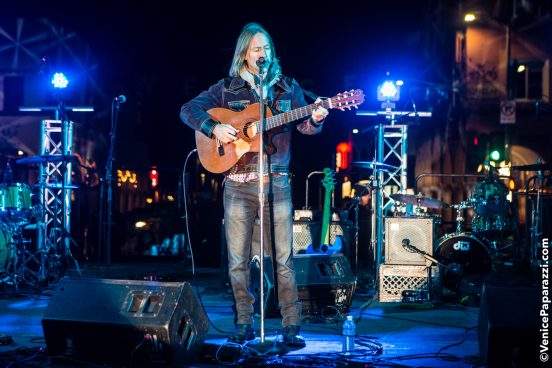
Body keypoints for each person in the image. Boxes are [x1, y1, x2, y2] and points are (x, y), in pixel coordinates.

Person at [180, 22, 328, 347]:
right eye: (256, 49)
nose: (263, 53)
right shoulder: (226, 89)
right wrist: (213, 128)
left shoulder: (288, 89)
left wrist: (315, 119)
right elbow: (187, 109)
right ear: (245, 54)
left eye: (267, 48)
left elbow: (305, 127)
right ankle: (243, 323)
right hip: (236, 183)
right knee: (237, 260)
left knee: (284, 259)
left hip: (277, 182)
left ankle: (291, 326)